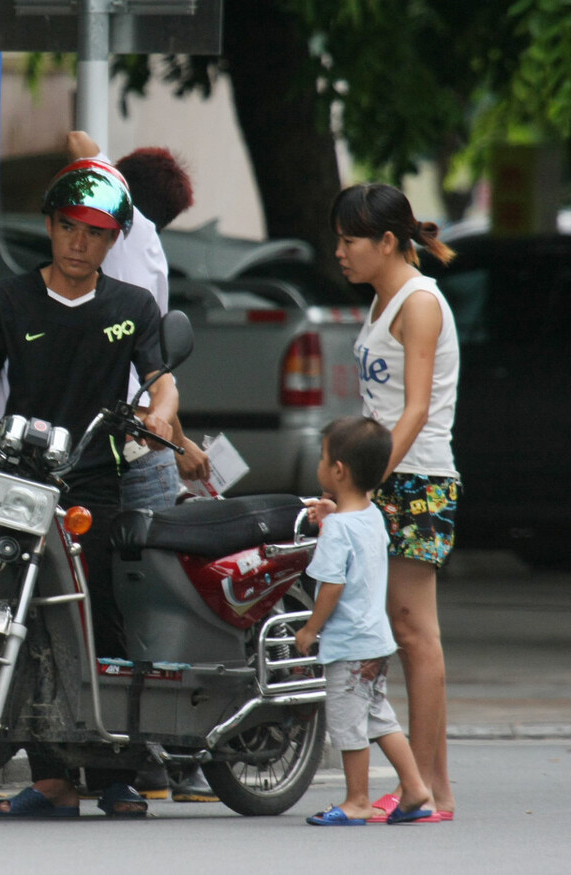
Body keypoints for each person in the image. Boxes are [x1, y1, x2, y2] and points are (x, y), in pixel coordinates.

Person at [0, 160, 181, 818]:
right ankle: (53, 779)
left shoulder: (132, 307)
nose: (79, 242)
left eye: (95, 231)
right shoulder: (1, 302)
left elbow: (160, 375)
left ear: (114, 240)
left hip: (93, 483)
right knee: (19, 622)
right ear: (49, 226)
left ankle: (116, 774)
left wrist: (164, 406)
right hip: (18, 480)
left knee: (101, 617)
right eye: (67, 227)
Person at [66, 131, 213, 803]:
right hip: (139, 439)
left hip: (122, 444)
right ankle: (168, 753)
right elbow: (156, 369)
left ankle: (157, 751)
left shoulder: (123, 236)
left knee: (126, 597)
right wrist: (182, 445)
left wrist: (90, 146)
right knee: (147, 595)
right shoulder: (148, 248)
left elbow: (147, 369)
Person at [330, 182, 459, 822]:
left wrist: (370, 480)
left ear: (386, 242)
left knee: (414, 632)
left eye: (350, 240)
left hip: (417, 479)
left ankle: (434, 789)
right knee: (390, 630)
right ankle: (425, 786)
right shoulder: (383, 302)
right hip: (387, 476)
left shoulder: (419, 302)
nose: (339, 253)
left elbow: (416, 408)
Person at [295, 416, 438, 825]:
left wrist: (310, 630)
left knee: (347, 723)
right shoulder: (371, 515)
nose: (320, 464)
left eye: (324, 458)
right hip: (375, 640)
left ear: (337, 470)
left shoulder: (337, 529)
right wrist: (333, 510)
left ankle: (357, 799)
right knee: (379, 716)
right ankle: (413, 787)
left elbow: (332, 587)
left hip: (349, 646)